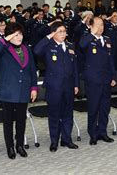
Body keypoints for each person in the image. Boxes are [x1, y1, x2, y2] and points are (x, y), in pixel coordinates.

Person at [0, 22, 38, 159]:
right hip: (8, 91)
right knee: (8, 121)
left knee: (21, 120)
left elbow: (32, 70)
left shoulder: (26, 49)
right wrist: (5, 39)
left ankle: (20, 145)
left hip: (23, 90)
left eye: (20, 34)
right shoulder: (4, 48)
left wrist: (33, 87)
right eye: (16, 34)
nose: (19, 37)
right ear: (9, 35)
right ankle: (10, 146)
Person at [34, 21, 80, 152]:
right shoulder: (48, 45)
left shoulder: (70, 46)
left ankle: (66, 139)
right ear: (53, 33)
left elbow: (74, 67)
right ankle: (54, 141)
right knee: (54, 115)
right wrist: (49, 36)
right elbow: (36, 51)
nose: (63, 34)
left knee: (68, 114)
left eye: (64, 31)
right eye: (60, 31)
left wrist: (76, 84)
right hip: (54, 86)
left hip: (69, 86)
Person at [79, 16, 116, 145]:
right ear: (91, 26)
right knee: (93, 108)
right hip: (93, 79)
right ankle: (93, 134)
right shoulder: (87, 38)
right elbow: (81, 45)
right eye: (98, 25)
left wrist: (113, 77)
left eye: (102, 25)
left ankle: (102, 132)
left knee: (105, 108)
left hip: (106, 79)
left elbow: (110, 60)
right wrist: (92, 33)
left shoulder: (107, 39)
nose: (101, 28)